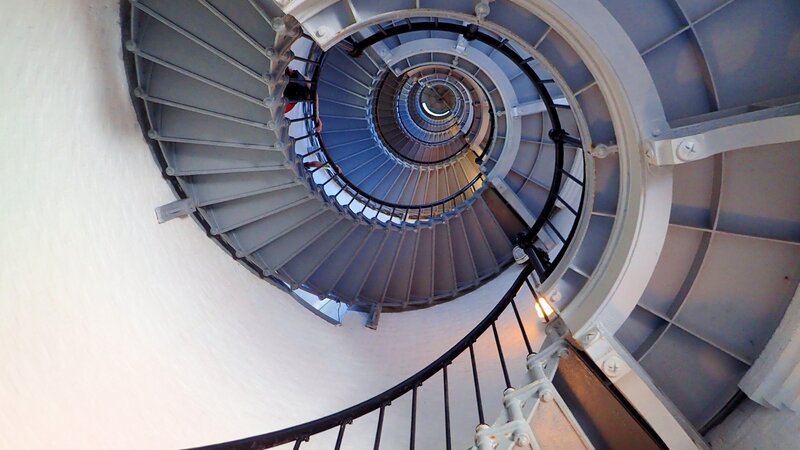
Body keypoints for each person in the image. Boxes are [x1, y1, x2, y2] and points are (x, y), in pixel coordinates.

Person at [283, 67, 323, 133]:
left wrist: (317, 115)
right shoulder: (291, 103)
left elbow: (310, 84)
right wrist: (317, 115)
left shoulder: (295, 76)